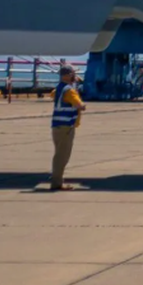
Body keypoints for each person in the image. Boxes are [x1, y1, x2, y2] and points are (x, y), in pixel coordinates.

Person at [49, 63, 86, 191]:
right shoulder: (69, 91)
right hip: (66, 127)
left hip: (56, 126)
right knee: (62, 156)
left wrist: (73, 84)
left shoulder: (60, 88)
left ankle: (57, 179)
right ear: (68, 75)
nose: (75, 75)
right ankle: (57, 182)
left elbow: (53, 95)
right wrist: (81, 102)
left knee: (58, 153)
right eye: (73, 74)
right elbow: (79, 105)